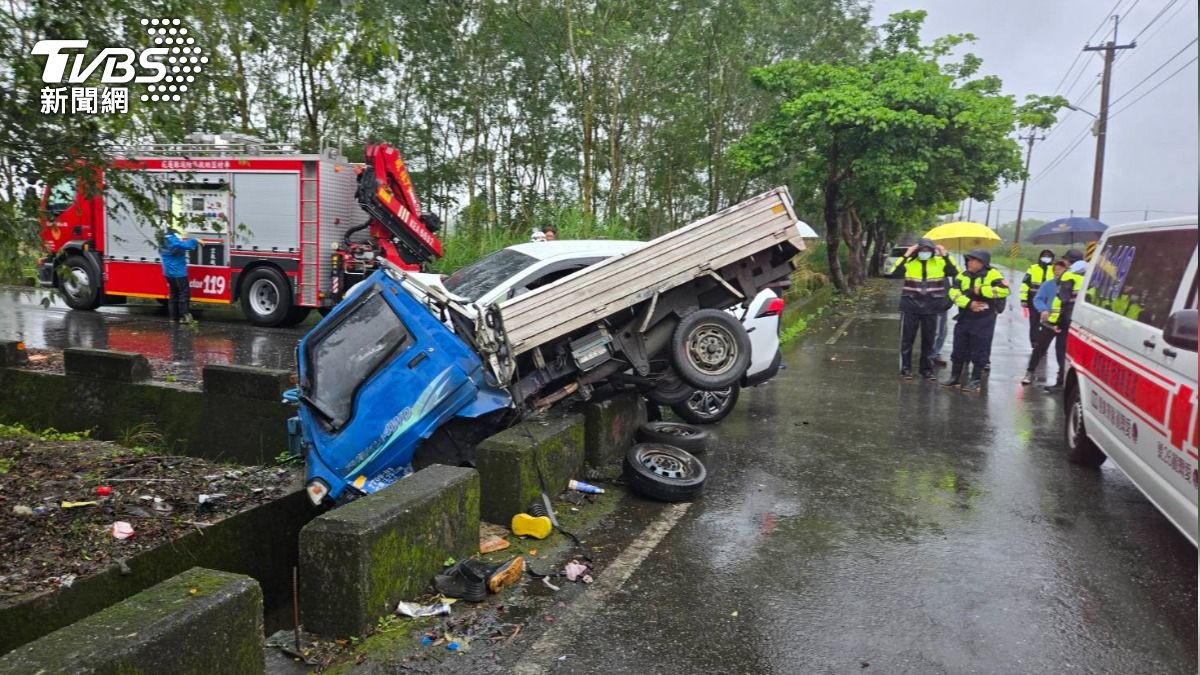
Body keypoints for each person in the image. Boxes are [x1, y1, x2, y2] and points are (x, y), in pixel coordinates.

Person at [887, 238, 957, 381]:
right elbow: (894, 273)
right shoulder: (910, 263)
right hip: (911, 306)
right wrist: (906, 254)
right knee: (907, 340)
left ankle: (926, 370)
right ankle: (906, 369)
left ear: (932, 251)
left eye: (928, 250)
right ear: (918, 251)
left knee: (928, 341)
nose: (925, 253)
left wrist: (945, 254)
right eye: (922, 250)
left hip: (931, 307)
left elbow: (954, 271)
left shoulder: (940, 262)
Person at [942, 249, 1009, 393]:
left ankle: (976, 381)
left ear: (981, 263)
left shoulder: (993, 274)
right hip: (965, 316)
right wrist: (968, 303)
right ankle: (955, 377)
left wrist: (982, 290)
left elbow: (1004, 291)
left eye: (972, 260)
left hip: (984, 318)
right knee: (959, 347)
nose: (969, 263)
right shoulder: (962, 275)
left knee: (980, 349)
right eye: (968, 260)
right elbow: (954, 292)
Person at [1042, 249, 1087, 392]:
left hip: (1066, 320)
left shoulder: (1068, 275)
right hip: (1082, 320)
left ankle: (1060, 382)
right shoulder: (1090, 274)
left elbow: (1061, 300)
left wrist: (1052, 322)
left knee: (1062, 351)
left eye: (1066, 260)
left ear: (1069, 261)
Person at [1021, 260, 1068, 385]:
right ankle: (1030, 372)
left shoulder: (1072, 285)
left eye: (1061, 269)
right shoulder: (1048, 285)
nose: (1058, 272)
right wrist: (1043, 310)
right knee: (1039, 348)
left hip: (1065, 323)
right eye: (1056, 269)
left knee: (1062, 351)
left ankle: (1060, 379)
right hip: (1050, 322)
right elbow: (1038, 299)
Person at [159, 228, 198, 323]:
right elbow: (182, 245)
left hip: (168, 273)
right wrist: (194, 240)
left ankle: (173, 317)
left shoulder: (162, 242)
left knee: (173, 294)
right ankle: (184, 316)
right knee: (184, 294)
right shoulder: (172, 241)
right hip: (179, 273)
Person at [1020, 249, 1056, 347]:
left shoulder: (1054, 269)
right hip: (1034, 299)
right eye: (1044, 256)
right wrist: (1023, 299)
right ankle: (1034, 342)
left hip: (1048, 301)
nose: (1046, 258)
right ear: (1040, 257)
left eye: (1049, 256)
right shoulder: (1033, 268)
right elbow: (1025, 284)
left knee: (1047, 322)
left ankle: (1043, 343)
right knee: (1034, 321)